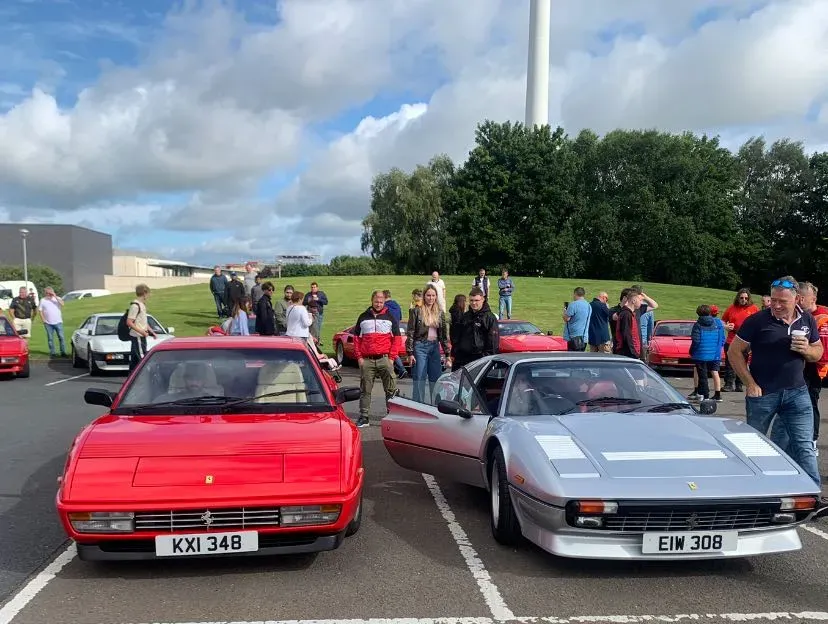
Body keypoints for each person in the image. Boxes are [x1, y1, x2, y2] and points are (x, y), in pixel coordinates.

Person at [727, 276, 822, 486]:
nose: (776, 305)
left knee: (804, 445)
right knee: (754, 444)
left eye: (783, 301)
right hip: (763, 394)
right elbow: (734, 352)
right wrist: (750, 383)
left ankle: (812, 492)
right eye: (774, 299)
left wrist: (807, 350)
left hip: (798, 392)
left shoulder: (806, 320)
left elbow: (818, 352)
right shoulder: (757, 320)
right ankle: (752, 488)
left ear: (796, 299)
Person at [353, 290, 400, 428]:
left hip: (385, 359)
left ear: (384, 301)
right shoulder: (363, 317)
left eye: (381, 301)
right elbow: (356, 339)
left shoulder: (390, 317)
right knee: (365, 390)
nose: (378, 304)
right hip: (367, 360)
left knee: (391, 389)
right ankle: (364, 417)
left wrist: (391, 358)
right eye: (376, 301)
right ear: (371, 301)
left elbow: (396, 339)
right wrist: (359, 358)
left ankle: (392, 415)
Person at [406, 284, 450, 403]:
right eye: (428, 295)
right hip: (420, 346)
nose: (431, 298)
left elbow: (444, 335)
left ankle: (436, 407)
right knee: (420, 378)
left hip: (434, 347)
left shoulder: (440, 313)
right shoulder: (416, 311)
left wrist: (447, 354)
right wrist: (410, 352)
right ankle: (418, 407)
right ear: (424, 296)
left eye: (433, 295)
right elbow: (410, 332)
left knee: (435, 379)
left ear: (436, 297)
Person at [451, 287, 498, 370]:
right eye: (471, 300)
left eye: (476, 300)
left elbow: (493, 343)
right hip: (462, 358)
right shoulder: (465, 316)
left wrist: (486, 360)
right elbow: (457, 337)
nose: (473, 303)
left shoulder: (489, 318)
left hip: (480, 359)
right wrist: (454, 354)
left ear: (482, 299)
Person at [688, 304, 725, 402]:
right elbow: (719, 338)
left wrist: (691, 351)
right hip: (712, 353)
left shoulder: (698, 325)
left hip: (700, 354)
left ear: (698, 313)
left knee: (702, 376)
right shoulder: (716, 324)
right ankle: (703, 394)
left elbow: (696, 341)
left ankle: (705, 396)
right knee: (712, 373)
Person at [126, 284, 156, 372]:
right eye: (148, 293)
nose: (149, 296)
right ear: (144, 293)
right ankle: (146, 377)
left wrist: (151, 332)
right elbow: (129, 322)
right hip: (138, 336)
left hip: (141, 335)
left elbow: (143, 322)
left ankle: (131, 379)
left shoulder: (142, 305)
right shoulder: (135, 306)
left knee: (135, 360)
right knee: (142, 359)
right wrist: (142, 332)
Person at [38, 287, 67, 357]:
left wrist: (55, 296)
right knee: (50, 338)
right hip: (48, 323)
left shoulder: (57, 298)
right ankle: (53, 352)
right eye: (47, 293)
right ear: (45, 293)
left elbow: (62, 304)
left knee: (61, 337)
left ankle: (63, 352)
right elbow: (40, 310)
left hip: (58, 322)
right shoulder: (43, 300)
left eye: (50, 293)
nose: (49, 294)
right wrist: (43, 320)